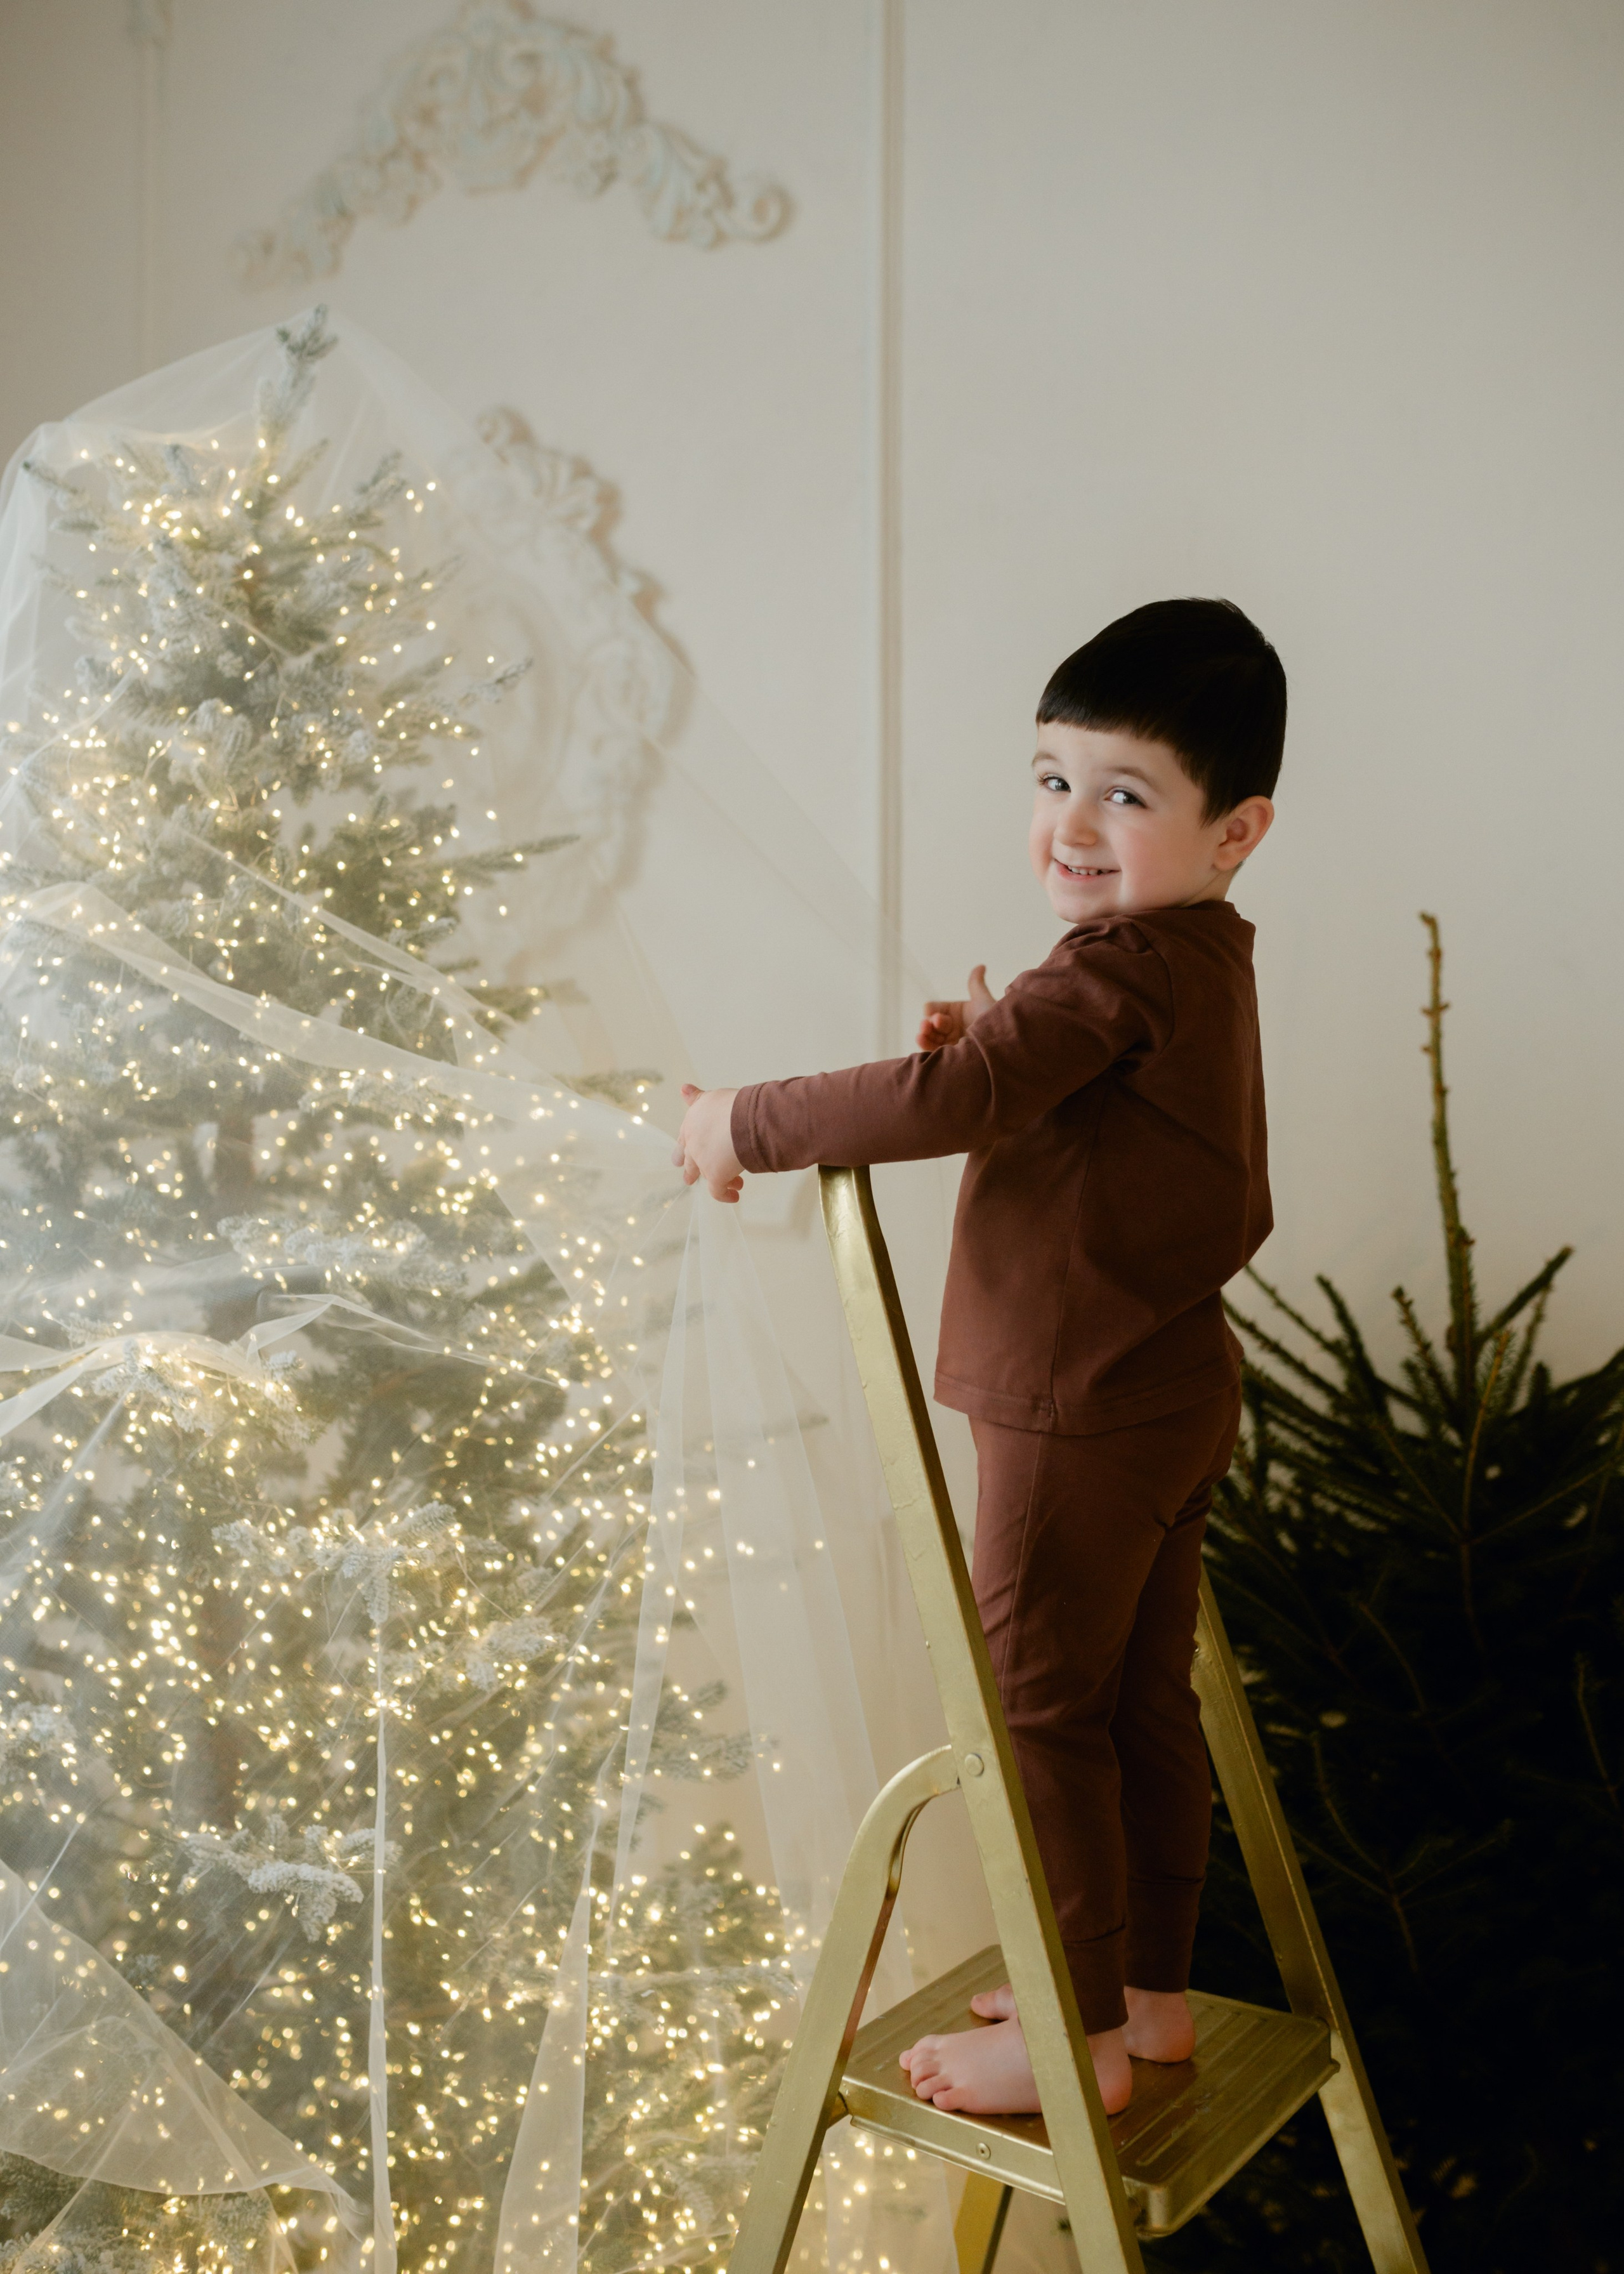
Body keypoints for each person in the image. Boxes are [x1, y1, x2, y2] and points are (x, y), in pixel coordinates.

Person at [673, 598, 1282, 2118]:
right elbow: (1069, 1093)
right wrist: (1001, 1030)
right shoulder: (1177, 961)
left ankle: (1072, 2036)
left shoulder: (1119, 971)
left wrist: (739, 1122)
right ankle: (1140, 1997)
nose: (1069, 822)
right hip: (1160, 1384)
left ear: (1235, 830)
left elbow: (957, 1105)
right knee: (1131, 1699)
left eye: (1123, 794)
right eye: (1048, 777)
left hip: (1075, 1404)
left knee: (1036, 1709)